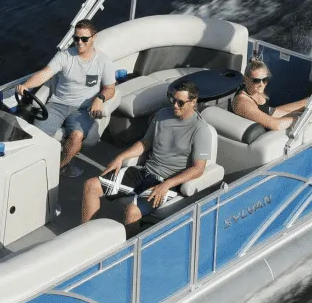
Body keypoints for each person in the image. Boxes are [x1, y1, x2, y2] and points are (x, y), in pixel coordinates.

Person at [81, 79, 216, 232]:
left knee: (132, 211)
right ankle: (87, 236)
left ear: (193, 102)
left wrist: (167, 184)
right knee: (91, 186)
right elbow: (145, 143)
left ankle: (131, 246)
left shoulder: (200, 130)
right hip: (145, 172)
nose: (175, 105)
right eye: (173, 100)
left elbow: (198, 168)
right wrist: (121, 157)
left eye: (180, 103)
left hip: (169, 182)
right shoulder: (162, 114)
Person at [15, 20, 117, 175]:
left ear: (94, 37)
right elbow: (45, 73)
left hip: (83, 110)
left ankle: (60, 167)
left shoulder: (104, 61)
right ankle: (28, 167)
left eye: (84, 39)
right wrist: (26, 85)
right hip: (57, 105)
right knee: (37, 136)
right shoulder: (64, 56)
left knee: (77, 135)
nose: (79, 42)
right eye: (76, 38)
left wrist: (100, 98)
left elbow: (110, 88)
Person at [231, 57, 312, 132]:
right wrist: (303, 119)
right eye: (256, 80)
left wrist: (297, 114)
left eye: (265, 80)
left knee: (308, 101)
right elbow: (275, 125)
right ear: (246, 79)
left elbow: (271, 112)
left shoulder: (253, 90)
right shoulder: (243, 103)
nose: (261, 84)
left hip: (268, 118)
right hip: (261, 135)